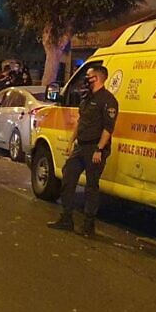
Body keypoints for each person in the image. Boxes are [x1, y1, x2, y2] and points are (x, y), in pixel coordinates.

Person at [47, 65, 119, 237]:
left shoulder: (108, 100)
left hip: (95, 148)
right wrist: (71, 141)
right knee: (68, 176)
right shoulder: (87, 98)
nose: (86, 78)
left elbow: (108, 129)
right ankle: (66, 219)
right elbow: (80, 121)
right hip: (81, 146)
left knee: (91, 187)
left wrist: (99, 150)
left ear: (98, 78)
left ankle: (88, 226)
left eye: (89, 75)